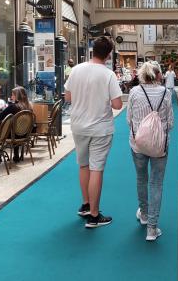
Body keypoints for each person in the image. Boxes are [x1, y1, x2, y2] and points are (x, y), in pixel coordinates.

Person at [64, 36, 123, 228]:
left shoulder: (76, 69)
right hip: (100, 127)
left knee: (83, 165)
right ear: (108, 55)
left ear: (92, 50)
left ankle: (85, 205)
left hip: (78, 125)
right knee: (96, 168)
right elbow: (117, 104)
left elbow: (68, 97)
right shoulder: (108, 75)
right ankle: (94, 215)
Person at [127, 61, 174, 241]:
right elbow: (170, 122)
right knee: (156, 183)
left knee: (141, 178)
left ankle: (144, 214)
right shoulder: (165, 93)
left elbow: (129, 119)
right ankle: (152, 229)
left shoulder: (134, 92)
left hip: (138, 144)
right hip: (160, 146)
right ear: (158, 75)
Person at [0, 86, 32, 162]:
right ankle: (16, 155)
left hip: (12, 135)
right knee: (13, 127)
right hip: (25, 134)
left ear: (17, 96)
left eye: (13, 95)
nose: (11, 97)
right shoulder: (29, 106)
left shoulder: (13, 106)